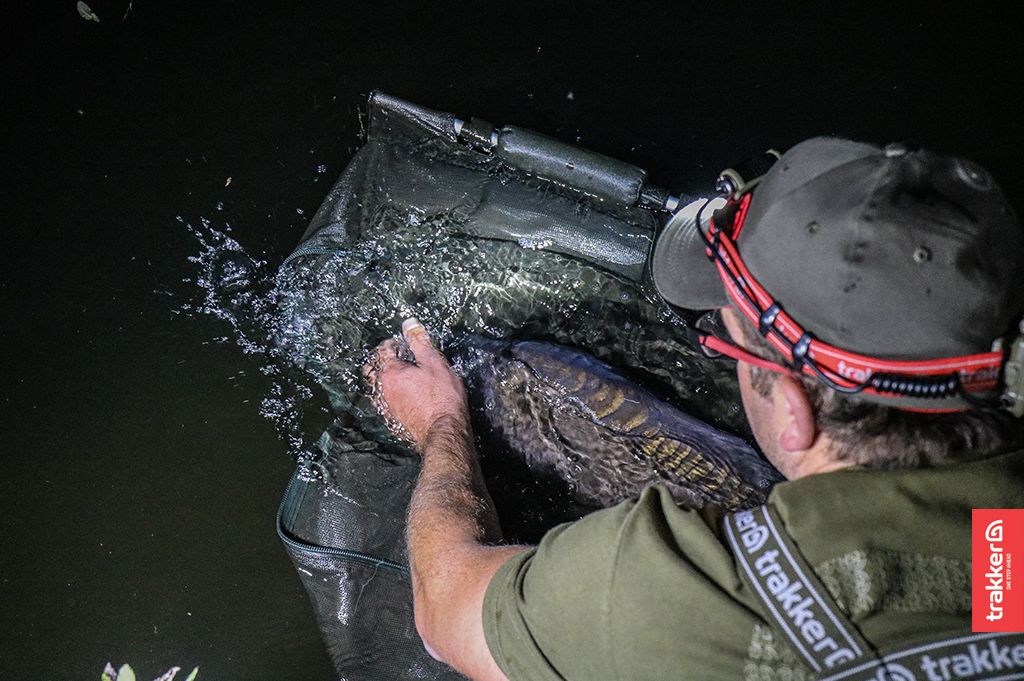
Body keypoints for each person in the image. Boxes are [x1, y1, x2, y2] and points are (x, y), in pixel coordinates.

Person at [364, 137, 1024, 680]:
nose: (724, 352)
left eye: (726, 342)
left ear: (795, 409)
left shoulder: (679, 597)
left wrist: (440, 421)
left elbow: (444, 607)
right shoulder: (1006, 540)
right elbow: (999, 593)